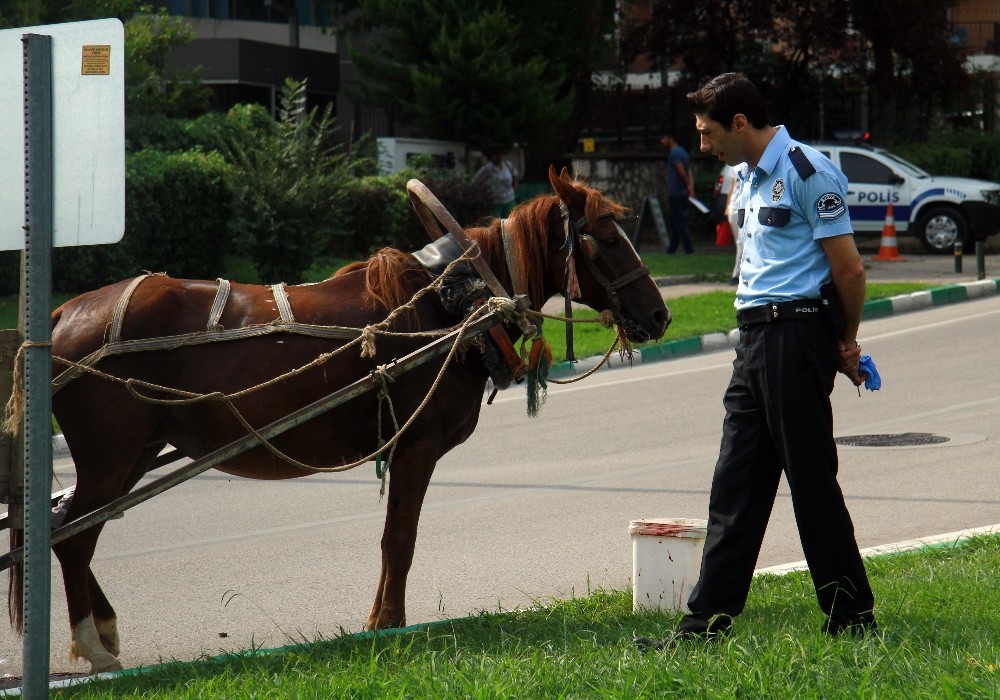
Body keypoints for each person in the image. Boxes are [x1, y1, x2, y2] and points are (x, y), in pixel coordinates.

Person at [636, 72, 876, 648]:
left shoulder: (807, 172)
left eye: (708, 132)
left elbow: (849, 270)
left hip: (796, 336)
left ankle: (852, 618)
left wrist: (845, 342)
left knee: (811, 483)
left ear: (740, 123)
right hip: (753, 341)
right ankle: (705, 625)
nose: (702, 144)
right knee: (735, 485)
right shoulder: (743, 176)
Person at [660, 133, 696, 254]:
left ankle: (689, 249)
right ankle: (672, 249)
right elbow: (689, 171)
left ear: (670, 138)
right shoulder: (683, 152)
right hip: (683, 193)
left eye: (664, 138)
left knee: (679, 222)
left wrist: (688, 185)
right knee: (676, 222)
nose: (662, 141)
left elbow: (682, 172)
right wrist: (691, 187)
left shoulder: (674, 153)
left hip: (675, 192)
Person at [475, 149, 519, 218]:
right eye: (496, 155)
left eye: (499, 154)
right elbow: (477, 179)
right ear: (492, 156)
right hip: (495, 202)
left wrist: (515, 187)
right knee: (496, 221)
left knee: (510, 220)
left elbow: (515, 174)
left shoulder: (507, 164)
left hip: (509, 199)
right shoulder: (487, 168)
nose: (498, 157)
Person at [722, 164, 743, 284]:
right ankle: (739, 274)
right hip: (734, 207)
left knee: (741, 242)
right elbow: (732, 186)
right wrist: (727, 207)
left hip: (745, 206)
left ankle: (737, 275)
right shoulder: (734, 166)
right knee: (739, 242)